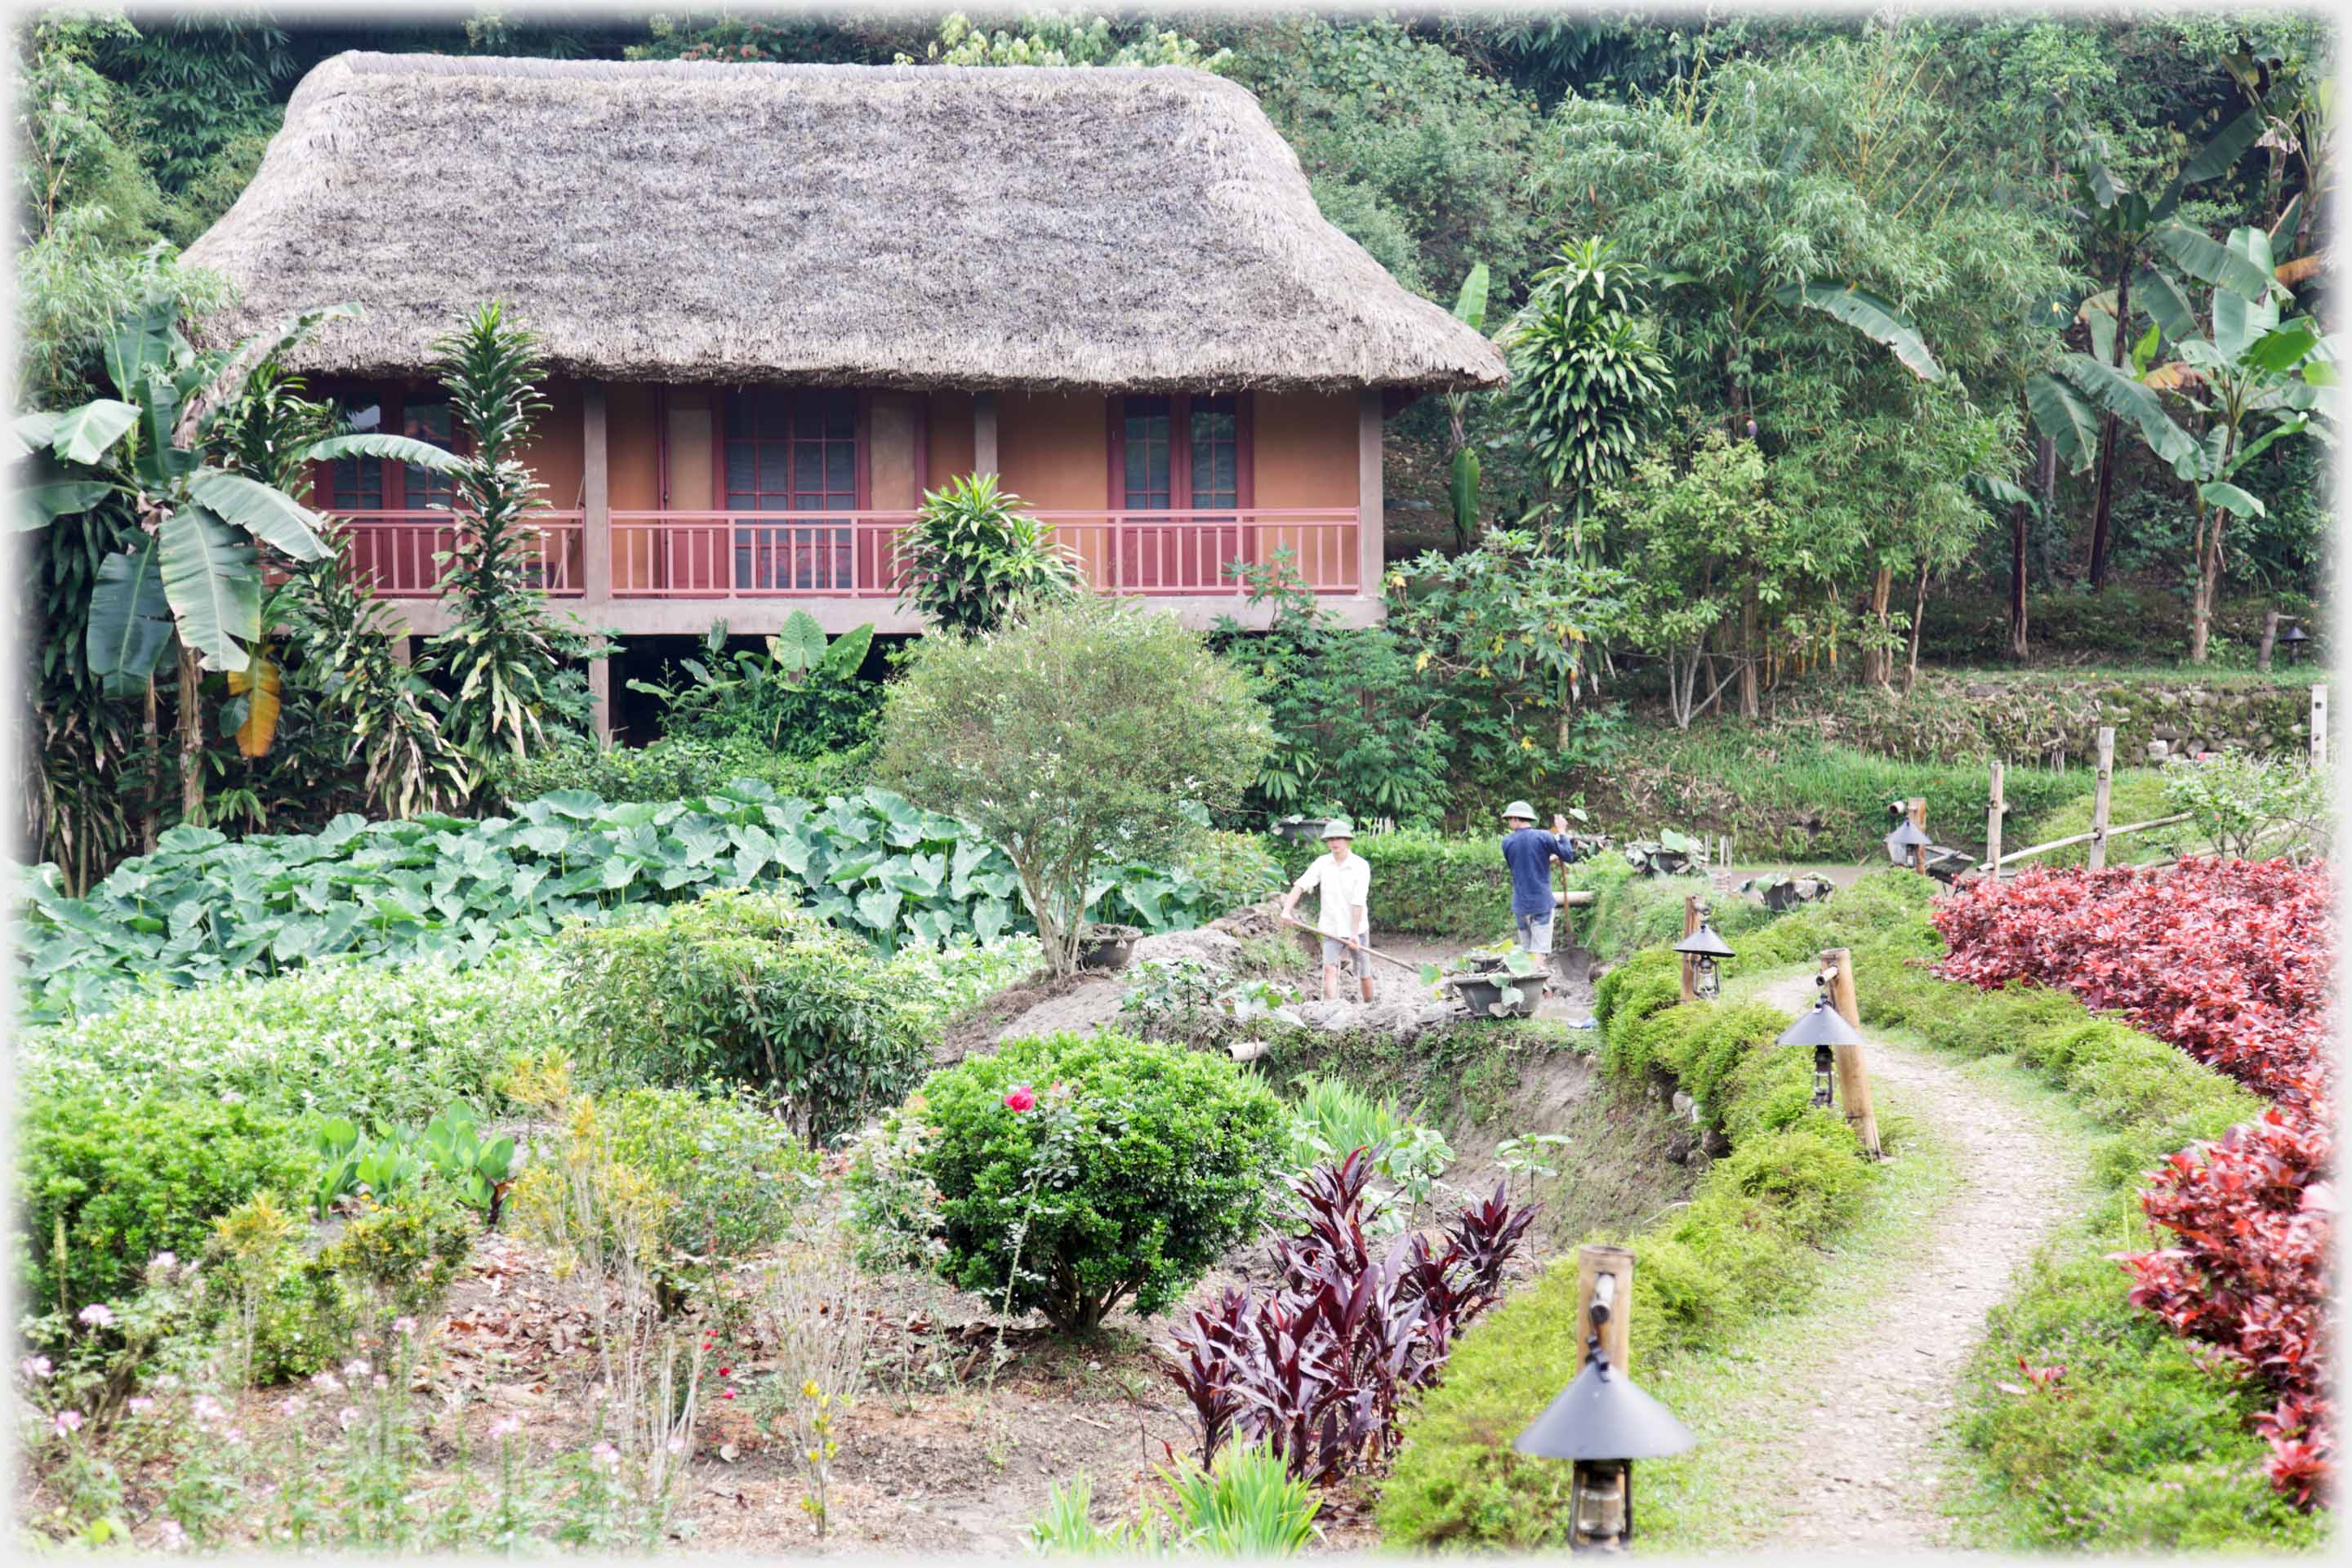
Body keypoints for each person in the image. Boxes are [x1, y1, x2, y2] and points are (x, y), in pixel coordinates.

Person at [1281, 817, 1374, 1003]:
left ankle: (1370, 1006)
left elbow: (1358, 901)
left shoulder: (1360, 866)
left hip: (1358, 928)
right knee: (1329, 968)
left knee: (1364, 971)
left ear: (1347, 840)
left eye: (1338, 839)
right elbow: (1301, 885)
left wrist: (1354, 934)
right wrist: (1287, 910)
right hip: (1331, 927)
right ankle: (1330, 1007)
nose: (1334, 843)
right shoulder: (1322, 863)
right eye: (1331, 839)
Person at [1499, 800, 1583, 991]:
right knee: (1539, 951)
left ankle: (1539, 987)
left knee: (1529, 951)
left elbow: (1525, 863)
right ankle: (1531, 990)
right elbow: (1568, 855)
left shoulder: (1507, 842)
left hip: (1520, 906)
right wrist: (1561, 831)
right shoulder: (1544, 837)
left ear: (1514, 819)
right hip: (1541, 904)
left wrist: (1548, 858)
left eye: (1509, 819)